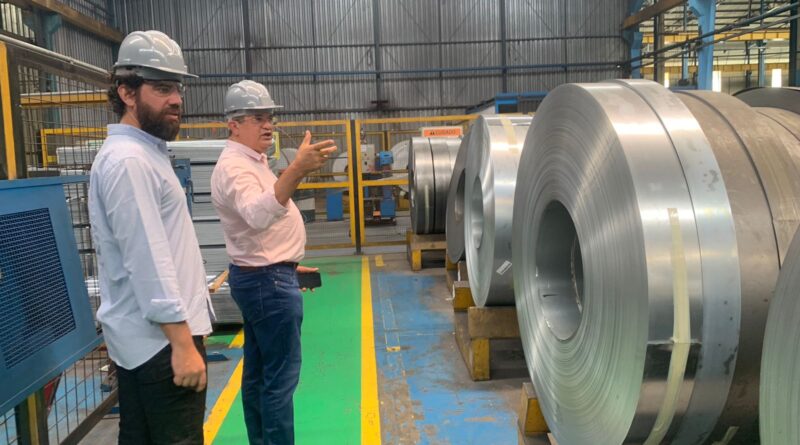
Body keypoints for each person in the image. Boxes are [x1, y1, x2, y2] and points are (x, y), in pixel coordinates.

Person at [88, 30, 213, 444]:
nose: (175, 99)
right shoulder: (130, 161)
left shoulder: (144, 154)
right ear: (126, 92)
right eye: (161, 89)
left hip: (148, 343)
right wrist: (182, 344)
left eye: (177, 88)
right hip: (162, 345)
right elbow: (147, 258)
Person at [210, 80, 336, 445]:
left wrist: (287, 265)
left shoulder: (253, 161)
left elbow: (259, 231)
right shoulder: (236, 168)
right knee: (278, 381)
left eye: (270, 117)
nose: (268, 125)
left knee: (260, 376)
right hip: (267, 284)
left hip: (267, 276)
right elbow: (257, 215)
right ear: (234, 125)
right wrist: (296, 170)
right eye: (257, 118)